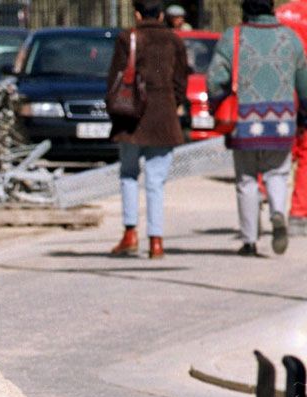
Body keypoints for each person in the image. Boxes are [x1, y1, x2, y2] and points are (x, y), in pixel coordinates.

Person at [207, 0, 307, 256]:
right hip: (283, 121)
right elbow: (304, 82)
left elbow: (215, 79)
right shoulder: (290, 38)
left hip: (244, 121)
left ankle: (250, 241)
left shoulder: (234, 37)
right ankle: (277, 211)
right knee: (278, 174)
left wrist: (217, 103)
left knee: (247, 179)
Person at [108, 0, 190, 259]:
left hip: (132, 118)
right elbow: (180, 81)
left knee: (129, 174)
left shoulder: (128, 37)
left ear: (137, 13)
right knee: (156, 181)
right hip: (163, 117)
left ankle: (130, 233)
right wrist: (171, 103)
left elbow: (115, 78)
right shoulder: (174, 41)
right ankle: (156, 240)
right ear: (162, 14)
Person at [277, 0, 307, 234]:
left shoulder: (281, 12)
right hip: (304, 90)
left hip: (277, 92)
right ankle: (298, 214)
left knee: (274, 148)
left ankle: (261, 196)